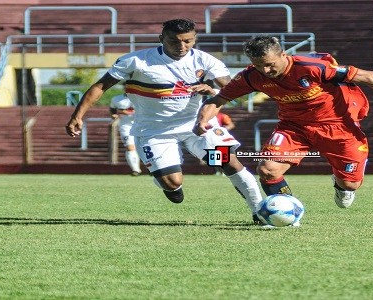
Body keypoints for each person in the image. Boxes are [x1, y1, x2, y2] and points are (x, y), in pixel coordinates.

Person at [194, 36, 373, 208]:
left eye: (270, 64)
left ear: (283, 55)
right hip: (293, 128)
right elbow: (219, 98)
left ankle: (340, 184)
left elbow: (369, 76)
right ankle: (287, 211)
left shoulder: (312, 67)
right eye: (259, 65)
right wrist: (203, 120)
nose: (265, 70)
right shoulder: (251, 76)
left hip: (339, 127)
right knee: (267, 169)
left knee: (350, 185)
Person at [65, 19, 263, 222]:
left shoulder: (205, 60)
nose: (181, 46)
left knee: (227, 163)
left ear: (194, 39)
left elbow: (232, 91)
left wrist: (213, 90)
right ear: (162, 39)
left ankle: (260, 211)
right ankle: (167, 182)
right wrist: (77, 116)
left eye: (188, 41)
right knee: (173, 184)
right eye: (174, 41)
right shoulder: (136, 61)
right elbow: (100, 86)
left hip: (199, 128)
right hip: (155, 132)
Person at [110, 93, 142, 176]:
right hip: (125, 126)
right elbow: (113, 110)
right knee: (130, 147)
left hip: (141, 125)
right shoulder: (117, 99)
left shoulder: (142, 97)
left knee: (145, 147)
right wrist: (114, 115)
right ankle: (136, 170)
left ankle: (152, 169)